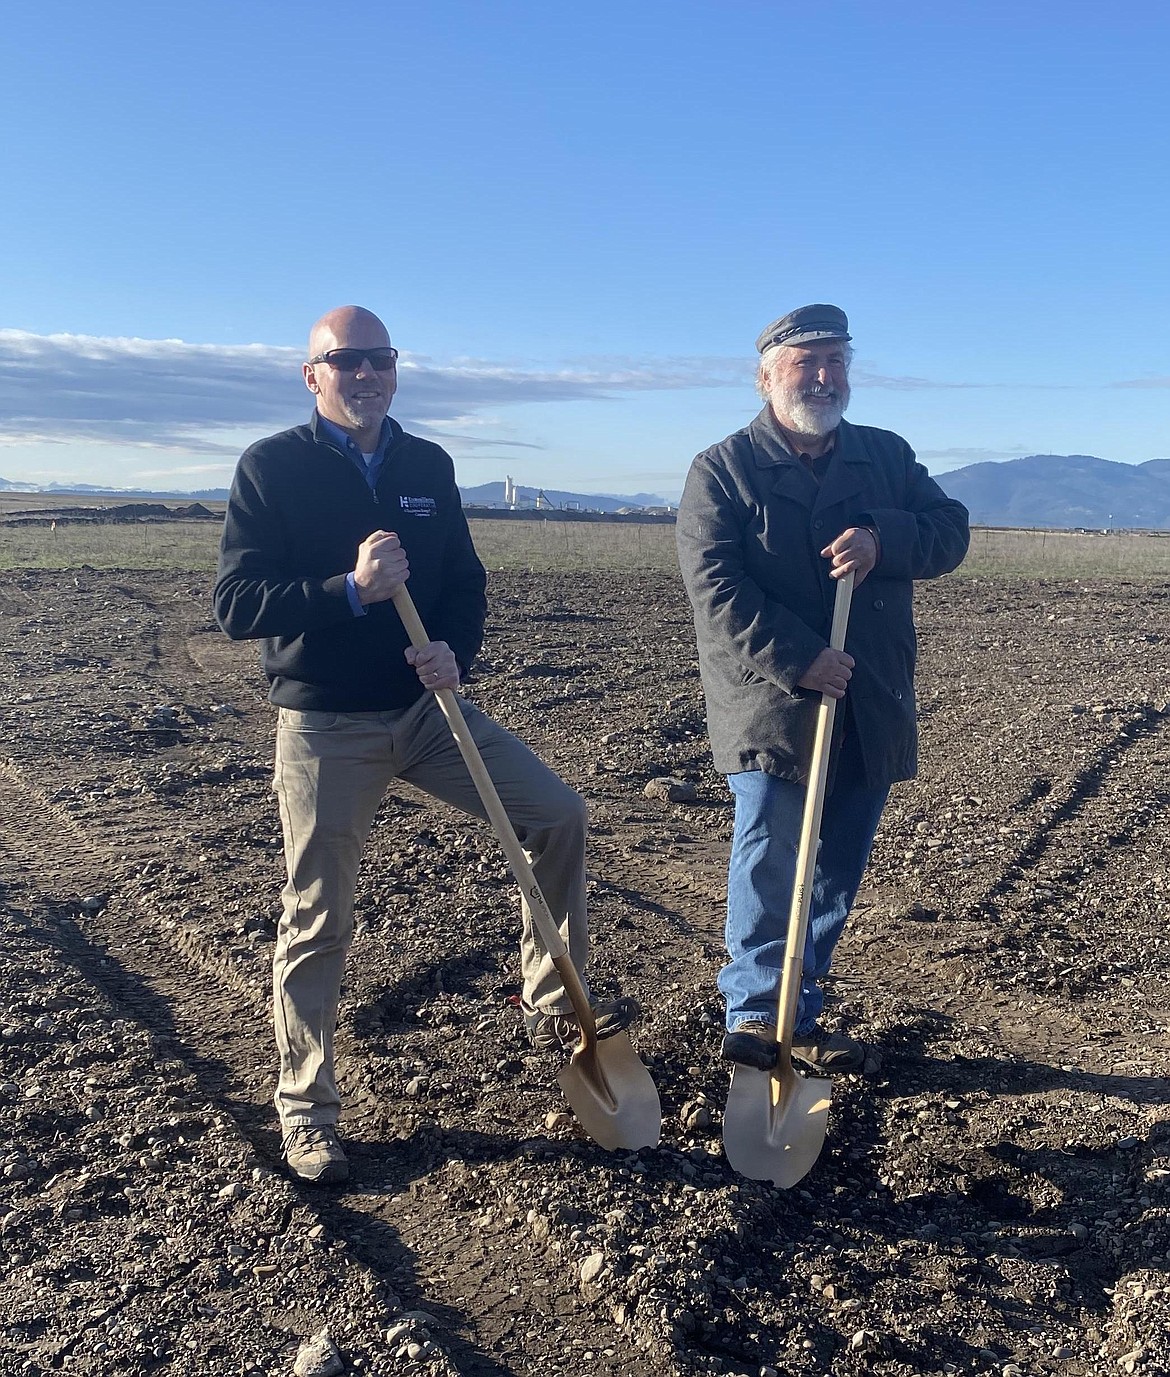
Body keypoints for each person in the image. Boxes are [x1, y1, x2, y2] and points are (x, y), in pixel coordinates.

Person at [214, 305, 637, 1184]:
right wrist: (351, 590)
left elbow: (464, 582)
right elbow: (238, 603)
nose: (364, 374)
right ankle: (307, 1109)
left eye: (380, 359)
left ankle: (552, 1000)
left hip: (427, 712)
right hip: (328, 724)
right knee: (320, 913)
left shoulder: (426, 465)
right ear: (313, 375)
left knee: (558, 815)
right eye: (345, 361)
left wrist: (456, 649)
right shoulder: (272, 468)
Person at [676, 304, 969, 1074]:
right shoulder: (724, 468)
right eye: (807, 361)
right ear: (769, 375)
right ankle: (751, 1018)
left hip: (868, 700)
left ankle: (798, 1011)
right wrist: (802, 658)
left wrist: (883, 537)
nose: (825, 375)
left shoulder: (885, 457)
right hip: (772, 703)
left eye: (836, 359)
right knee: (772, 859)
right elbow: (715, 587)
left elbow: (951, 530)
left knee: (837, 867)